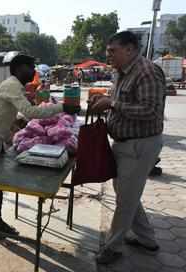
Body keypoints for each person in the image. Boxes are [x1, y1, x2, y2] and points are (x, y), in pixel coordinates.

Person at [0, 54, 81, 235]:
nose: (33, 71)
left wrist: (20, 122)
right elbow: (31, 112)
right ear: (19, 68)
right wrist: (63, 107)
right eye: (30, 67)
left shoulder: (15, 86)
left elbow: (12, 111)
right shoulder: (12, 85)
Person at [89, 31, 166, 264]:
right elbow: (123, 103)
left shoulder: (147, 71)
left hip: (139, 145)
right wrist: (105, 103)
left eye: (113, 50)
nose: (108, 55)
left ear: (130, 49)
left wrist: (112, 103)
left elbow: (151, 111)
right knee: (127, 194)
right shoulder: (121, 72)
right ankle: (147, 239)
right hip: (124, 144)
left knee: (125, 200)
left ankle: (113, 247)